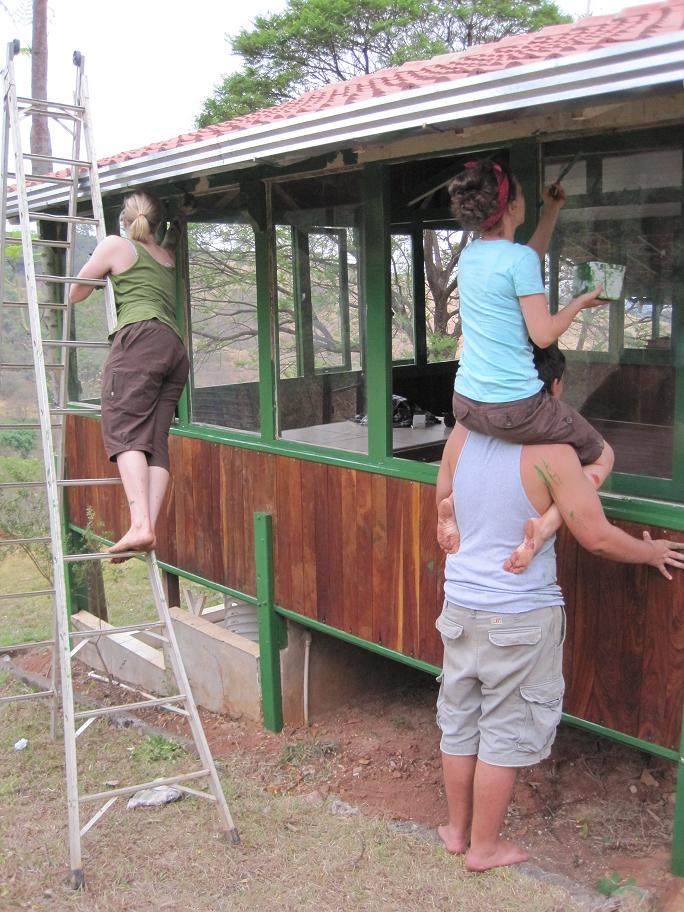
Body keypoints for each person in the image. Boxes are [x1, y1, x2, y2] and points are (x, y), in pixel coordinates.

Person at [433, 345, 684, 873]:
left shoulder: (462, 434)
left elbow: (446, 498)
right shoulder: (553, 453)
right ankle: (484, 848)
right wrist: (650, 553)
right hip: (519, 615)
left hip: (460, 606)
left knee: (460, 722)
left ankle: (456, 832)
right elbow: (597, 537)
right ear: (553, 391)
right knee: (503, 731)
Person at [443, 159, 614, 564]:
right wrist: (579, 303)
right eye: (522, 195)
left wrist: (552, 211)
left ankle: (447, 505)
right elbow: (543, 335)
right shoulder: (517, 261)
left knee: (466, 449)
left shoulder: (472, 256)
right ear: (512, 206)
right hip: (516, 409)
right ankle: (547, 523)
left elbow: (523, 261)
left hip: (466, 404)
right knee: (602, 454)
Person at [68, 189, 189, 559]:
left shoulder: (115, 245)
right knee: (155, 440)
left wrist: (102, 270)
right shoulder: (165, 256)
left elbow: (75, 293)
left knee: (124, 430)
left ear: (125, 219)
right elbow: (165, 244)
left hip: (140, 340)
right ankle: (146, 527)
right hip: (173, 347)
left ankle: (140, 525)